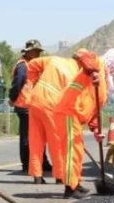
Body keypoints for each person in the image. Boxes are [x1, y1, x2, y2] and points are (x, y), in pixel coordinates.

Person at [56, 48, 114, 199]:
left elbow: (94, 107)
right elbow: (80, 53)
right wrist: (92, 71)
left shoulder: (105, 82)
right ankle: (70, 187)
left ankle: (76, 183)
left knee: (77, 152)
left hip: (76, 114)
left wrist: (96, 130)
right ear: (113, 62)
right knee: (72, 151)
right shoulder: (98, 64)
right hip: (69, 109)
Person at [23, 54, 78, 185]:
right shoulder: (76, 74)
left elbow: (32, 64)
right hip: (52, 105)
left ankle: (37, 176)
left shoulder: (54, 59)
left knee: (36, 140)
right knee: (56, 141)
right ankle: (59, 176)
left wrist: (34, 81)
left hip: (35, 100)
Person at [8, 39, 51, 174]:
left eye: (39, 52)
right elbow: (17, 84)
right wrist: (12, 98)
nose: (38, 54)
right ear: (28, 52)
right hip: (25, 105)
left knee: (40, 136)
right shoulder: (23, 66)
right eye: (35, 51)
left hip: (34, 105)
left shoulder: (34, 65)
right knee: (27, 137)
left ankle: (43, 163)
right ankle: (27, 164)